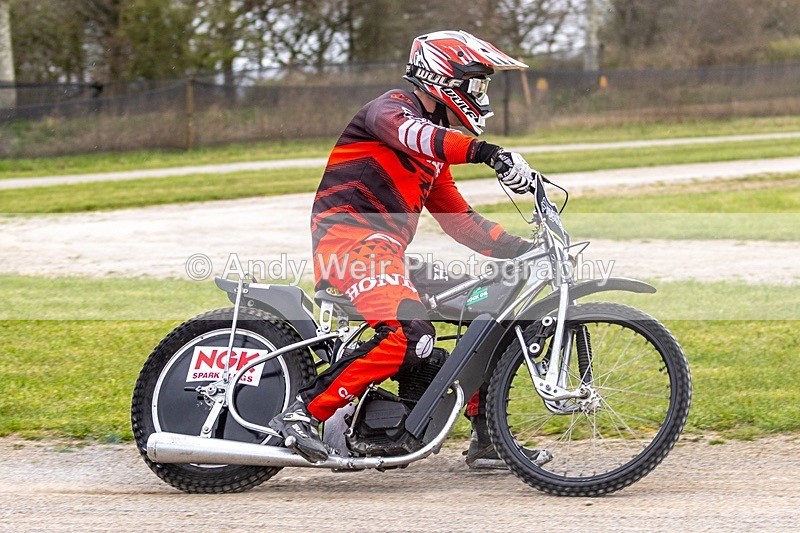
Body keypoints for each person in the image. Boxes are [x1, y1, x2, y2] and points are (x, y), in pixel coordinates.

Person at [270, 30, 539, 468]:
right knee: (409, 334)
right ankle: (301, 413)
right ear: (443, 77)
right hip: (350, 242)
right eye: (475, 83)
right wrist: (488, 153)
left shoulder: (433, 152)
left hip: (386, 253)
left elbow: (461, 221)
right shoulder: (391, 111)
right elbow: (418, 135)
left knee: (488, 307)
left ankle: (488, 440)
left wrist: (522, 250)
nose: (480, 94)